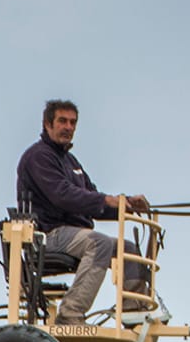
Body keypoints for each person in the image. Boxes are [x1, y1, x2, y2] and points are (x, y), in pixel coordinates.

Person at [15, 99, 161, 326]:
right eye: (62, 121)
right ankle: (70, 315)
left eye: (73, 123)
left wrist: (126, 206)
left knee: (128, 249)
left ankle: (134, 311)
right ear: (47, 124)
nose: (68, 127)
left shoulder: (71, 161)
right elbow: (63, 196)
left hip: (74, 235)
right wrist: (106, 200)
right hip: (48, 235)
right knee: (99, 242)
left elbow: (92, 200)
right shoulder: (39, 157)